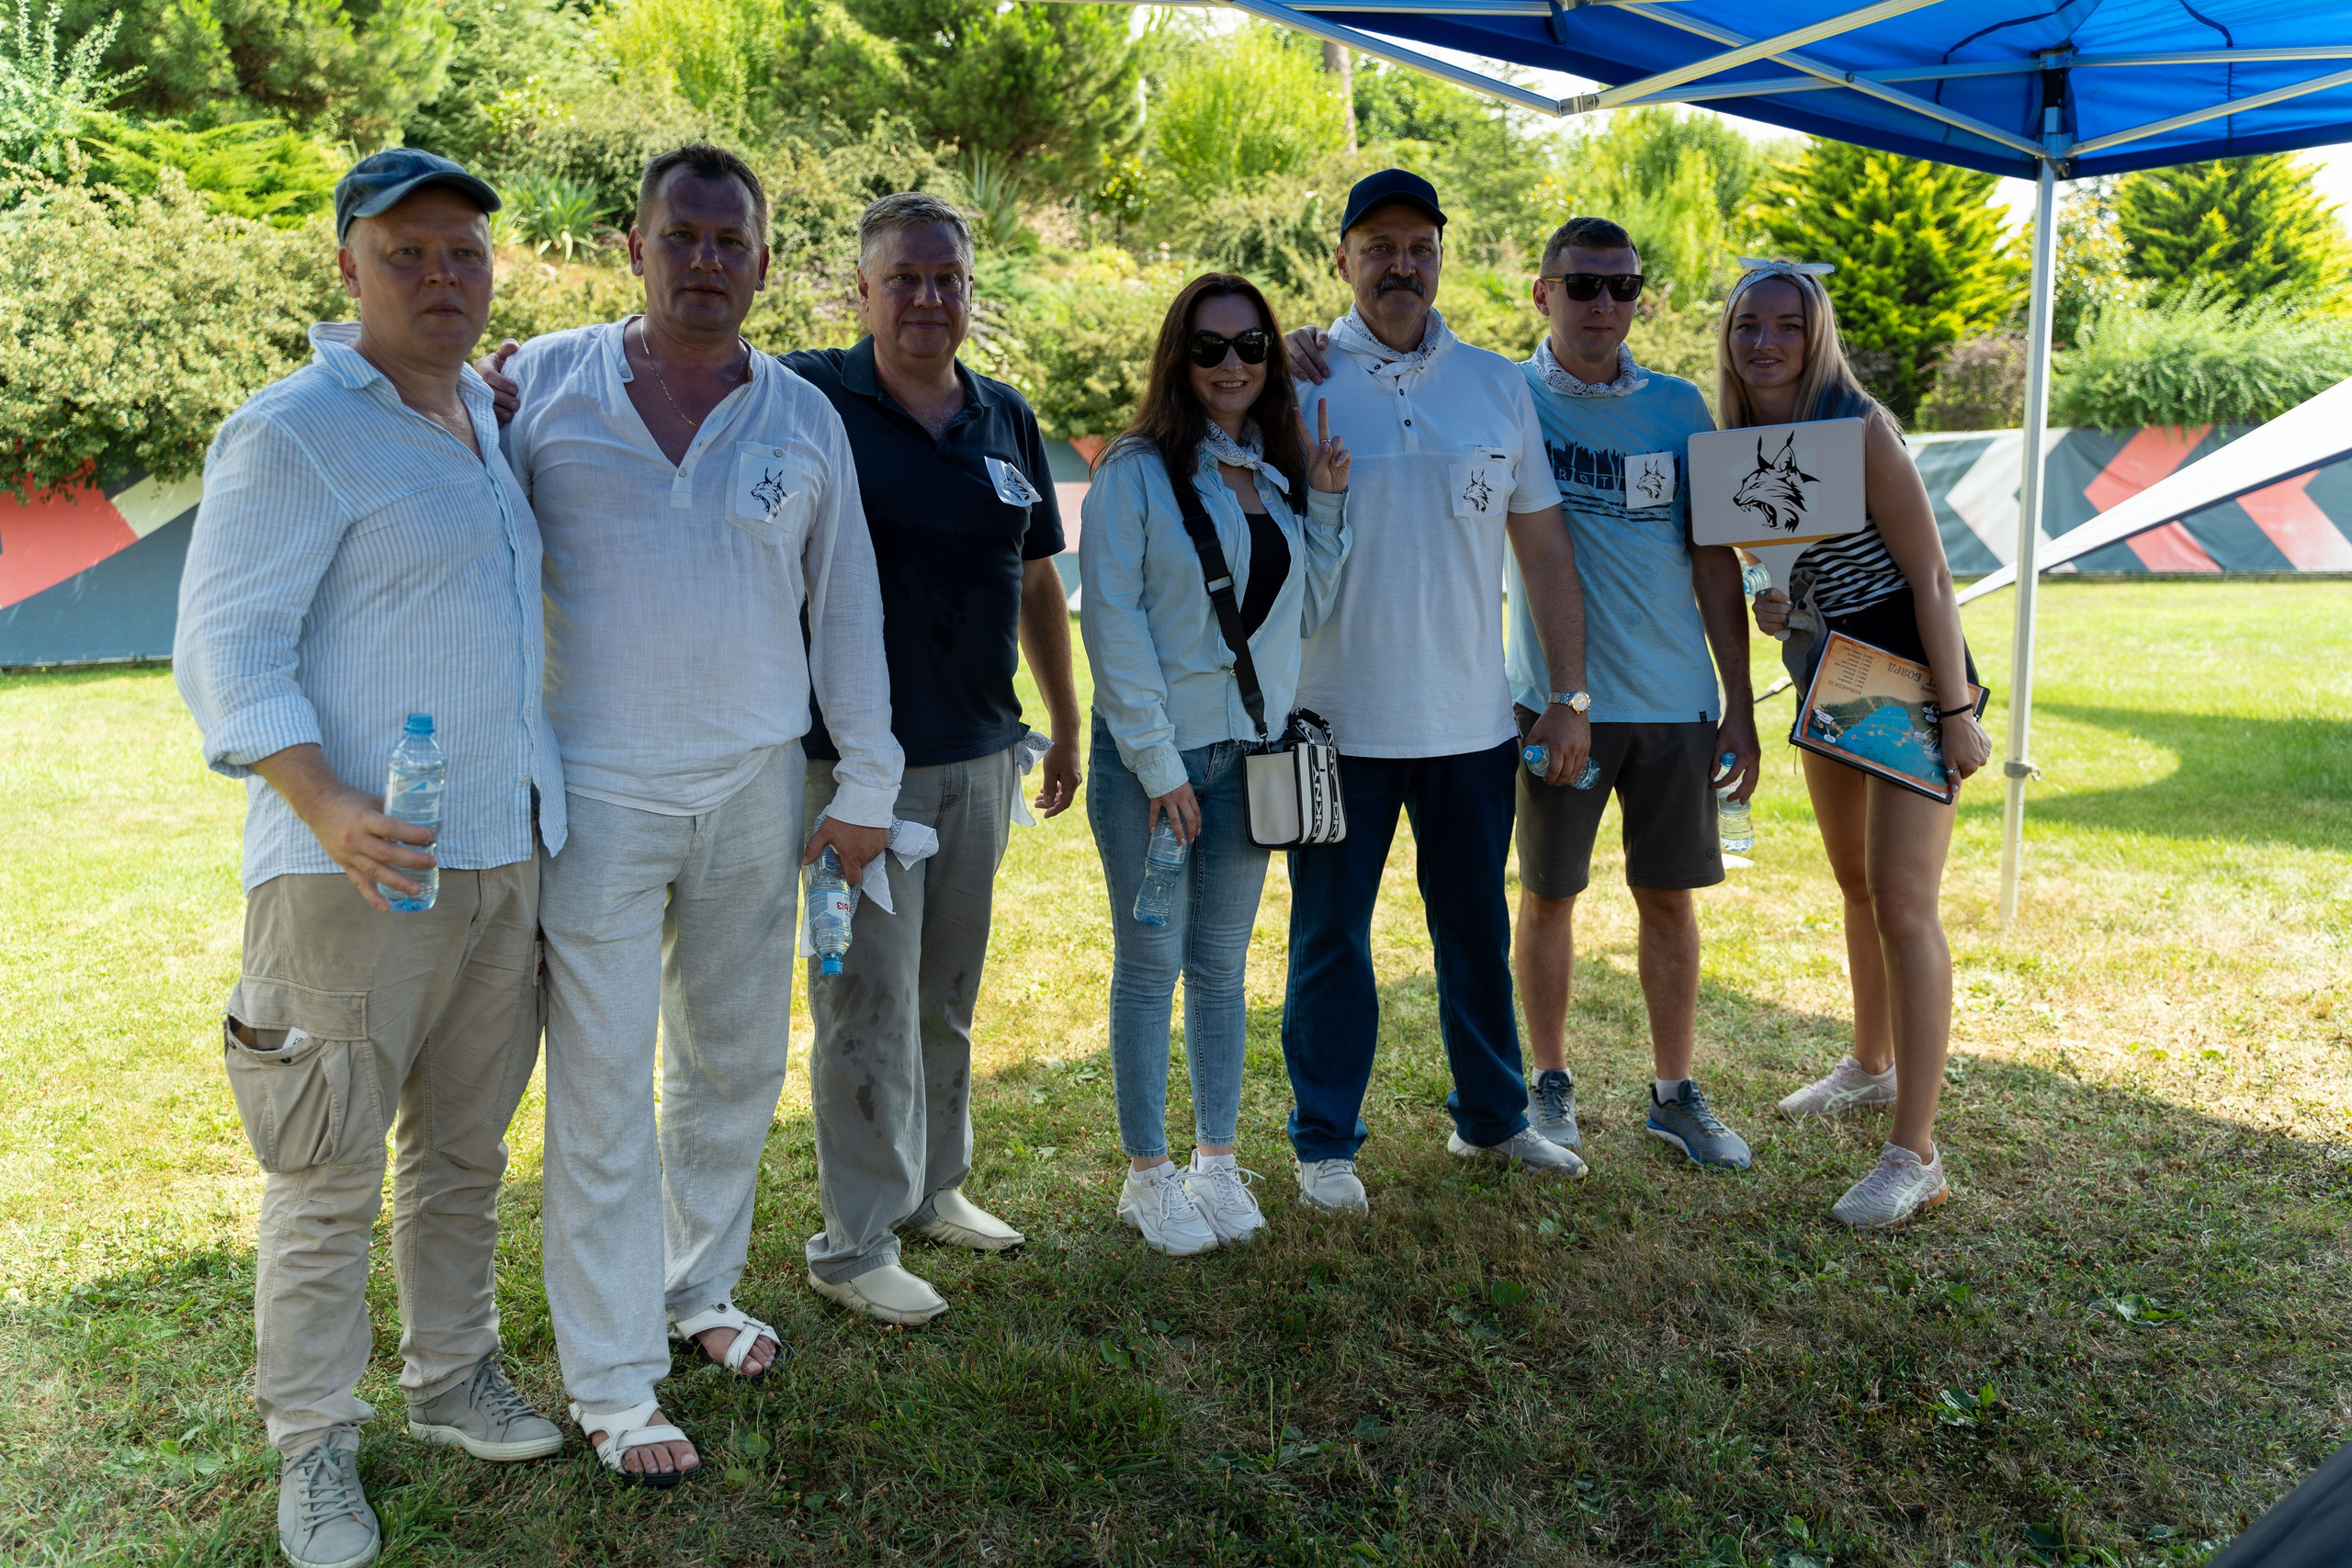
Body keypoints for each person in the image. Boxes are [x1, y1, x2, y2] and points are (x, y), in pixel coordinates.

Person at [479, 143, 901, 1482]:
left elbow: (847, 611)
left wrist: (869, 784)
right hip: (594, 788)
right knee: (600, 1084)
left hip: (755, 779)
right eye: (683, 236)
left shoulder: (801, 419)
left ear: (766, 265)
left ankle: (698, 1289)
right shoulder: (535, 383)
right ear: (635, 246)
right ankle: (610, 1380)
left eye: (732, 241)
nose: (706, 261)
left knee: (730, 1058)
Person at [175, 149, 568, 1568]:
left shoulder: (484, 418)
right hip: (348, 867)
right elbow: (224, 647)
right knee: (328, 1165)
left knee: (463, 1151)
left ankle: (454, 1375)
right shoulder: (291, 431)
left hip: (500, 851)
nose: (441, 276)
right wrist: (329, 803)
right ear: (347, 267)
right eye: (407, 253)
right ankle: (314, 1444)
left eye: (464, 252)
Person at [775, 193, 1083, 1324]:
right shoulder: (809, 394)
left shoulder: (1005, 414)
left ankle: (932, 1188)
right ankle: (852, 1244)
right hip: (852, 774)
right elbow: (682, 359)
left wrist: (1062, 718)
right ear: (862, 291)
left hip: (979, 755)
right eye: (902, 277)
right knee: (861, 999)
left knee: (947, 995)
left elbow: (1037, 577)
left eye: (946, 277)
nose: (925, 297)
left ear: (969, 291)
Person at [1278, 168, 1589, 1213]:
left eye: (1418, 245)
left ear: (1442, 256)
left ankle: (1493, 1122)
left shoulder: (1498, 385)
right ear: (1342, 262)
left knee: (1472, 928)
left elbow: (1544, 552)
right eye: (1377, 247)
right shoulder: (1295, 380)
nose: (1400, 265)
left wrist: (1568, 695)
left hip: (1467, 722)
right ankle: (1324, 1143)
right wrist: (1265, 371)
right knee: (1330, 941)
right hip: (1330, 722)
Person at [1081, 273, 1352, 1255]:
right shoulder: (1135, 471)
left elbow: (1307, 615)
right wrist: (1158, 770)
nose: (1231, 365)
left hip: (1249, 758)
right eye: (1209, 348)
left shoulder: (1271, 476)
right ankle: (1147, 1176)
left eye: (1250, 347)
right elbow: (1111, 630)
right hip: (1155, 766)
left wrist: (1324, 505)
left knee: (1223, 968)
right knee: (1151, 968)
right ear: (1178, 359)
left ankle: (1217, 1161)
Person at [1726, 259, 1992, 1226]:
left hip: (1903, 675)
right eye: (1747, 323)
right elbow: (1790, 582)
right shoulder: (1744, 439)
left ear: (1816, 334)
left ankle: (1914, 1153)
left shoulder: (1859, 426)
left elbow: (1929, 577)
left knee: (1906, 906)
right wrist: (1777, 604)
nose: (1763, 341)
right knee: (1855, 886)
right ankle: (1869, 1066)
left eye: (1785, 325)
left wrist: (1955, 707)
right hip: (1824, 675)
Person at [1506, 216, 1761, 1172]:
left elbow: (1713, 562)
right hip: (1553, 704)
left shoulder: (1681, 407)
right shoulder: (1507, 396)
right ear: (1542, 294)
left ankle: (1673, 1093)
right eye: (1582, 286)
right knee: (1548, 895)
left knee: (1668, 900)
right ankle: (1548, 1084)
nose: (1603, 305)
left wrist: (1737, 702)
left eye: (1622, 286)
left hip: (1674, 703)